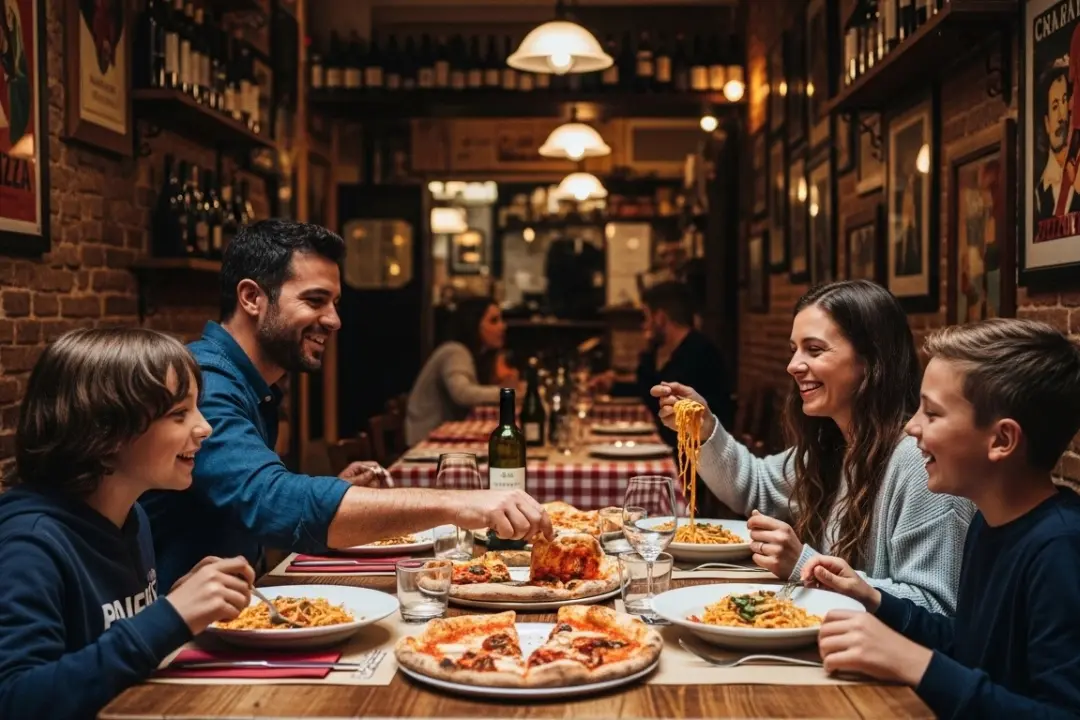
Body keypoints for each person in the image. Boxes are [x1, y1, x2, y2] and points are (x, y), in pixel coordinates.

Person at [142, 220, 551, 589]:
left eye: (334, 303)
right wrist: (460, 504)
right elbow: (271, 501)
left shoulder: (247, 381)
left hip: (230, 609)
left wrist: (339, 494)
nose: (334, 320)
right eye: (316, 300)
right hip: (179, 638)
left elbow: (242, 501)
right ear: (251, 297)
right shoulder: (206, 382)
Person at [803, 319, 1080, 718]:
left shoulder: (1061, 551)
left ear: (1001, 440)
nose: (912, 426)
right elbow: (970, 647)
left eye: (932, 413)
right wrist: (873, 598)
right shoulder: (988, 522)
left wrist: (916, 663)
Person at [652, 280, 974, 613]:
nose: (793, 365)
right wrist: (704, 429)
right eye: (794, 349)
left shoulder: (920, 463)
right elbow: (756, 486)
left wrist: (805, 564)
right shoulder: (834, 443)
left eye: (814, 349)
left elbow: (935, 610)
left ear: (869, 360)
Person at [0, 328, 255, 720]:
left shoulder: (132, 516)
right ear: (106, 435)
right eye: (179, 413)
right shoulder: (29, 545)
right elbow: (17, 701)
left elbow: (110, 642)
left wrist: (175, 604)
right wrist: (168, 617)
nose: (205, 427)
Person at [591, 281, 733, 448]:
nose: (644, 325)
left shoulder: (699, 353)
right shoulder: (678, 349)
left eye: (646, 317)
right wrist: (614, 384)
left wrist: (647, 354)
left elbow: (658, 400)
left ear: (660, 318)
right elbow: (650, 388)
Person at [405, 295, 516, 444]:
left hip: (444, 438)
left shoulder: (471, 354)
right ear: (473, 323)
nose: (503, 326)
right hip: (425, 442)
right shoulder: (454, 351)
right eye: (494, 320)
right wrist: (509, 394)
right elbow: (462, 393)